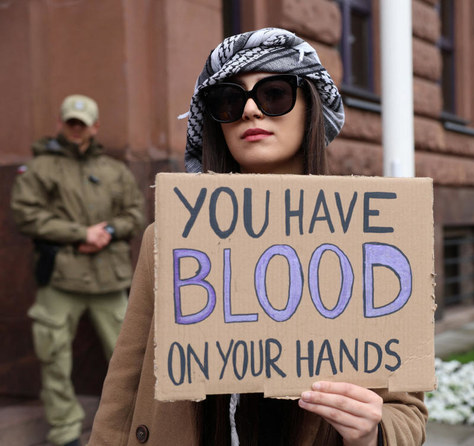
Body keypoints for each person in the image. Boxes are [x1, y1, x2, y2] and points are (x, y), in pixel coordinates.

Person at [88, 28, 427, 446]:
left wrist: (372, 432)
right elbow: (123, 386)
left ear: (310, 107)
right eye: (229, 100)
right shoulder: (169, 239)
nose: (250, 111)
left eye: (274, 94)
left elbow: (406, 414)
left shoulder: (368, 236)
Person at [10, 94, 145, 446]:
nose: (75, 129)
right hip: (60, 279)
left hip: (109, 280)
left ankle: (127, 427)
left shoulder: (114, 170)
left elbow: (135, 213)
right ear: (60, 122)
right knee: (54, 358)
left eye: (82, 124)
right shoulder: (40, 169)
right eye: (70, 122)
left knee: (128, 360)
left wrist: (108, 233)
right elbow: (26, 214)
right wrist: (79, 234)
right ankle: (65, 433)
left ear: (95, 127)